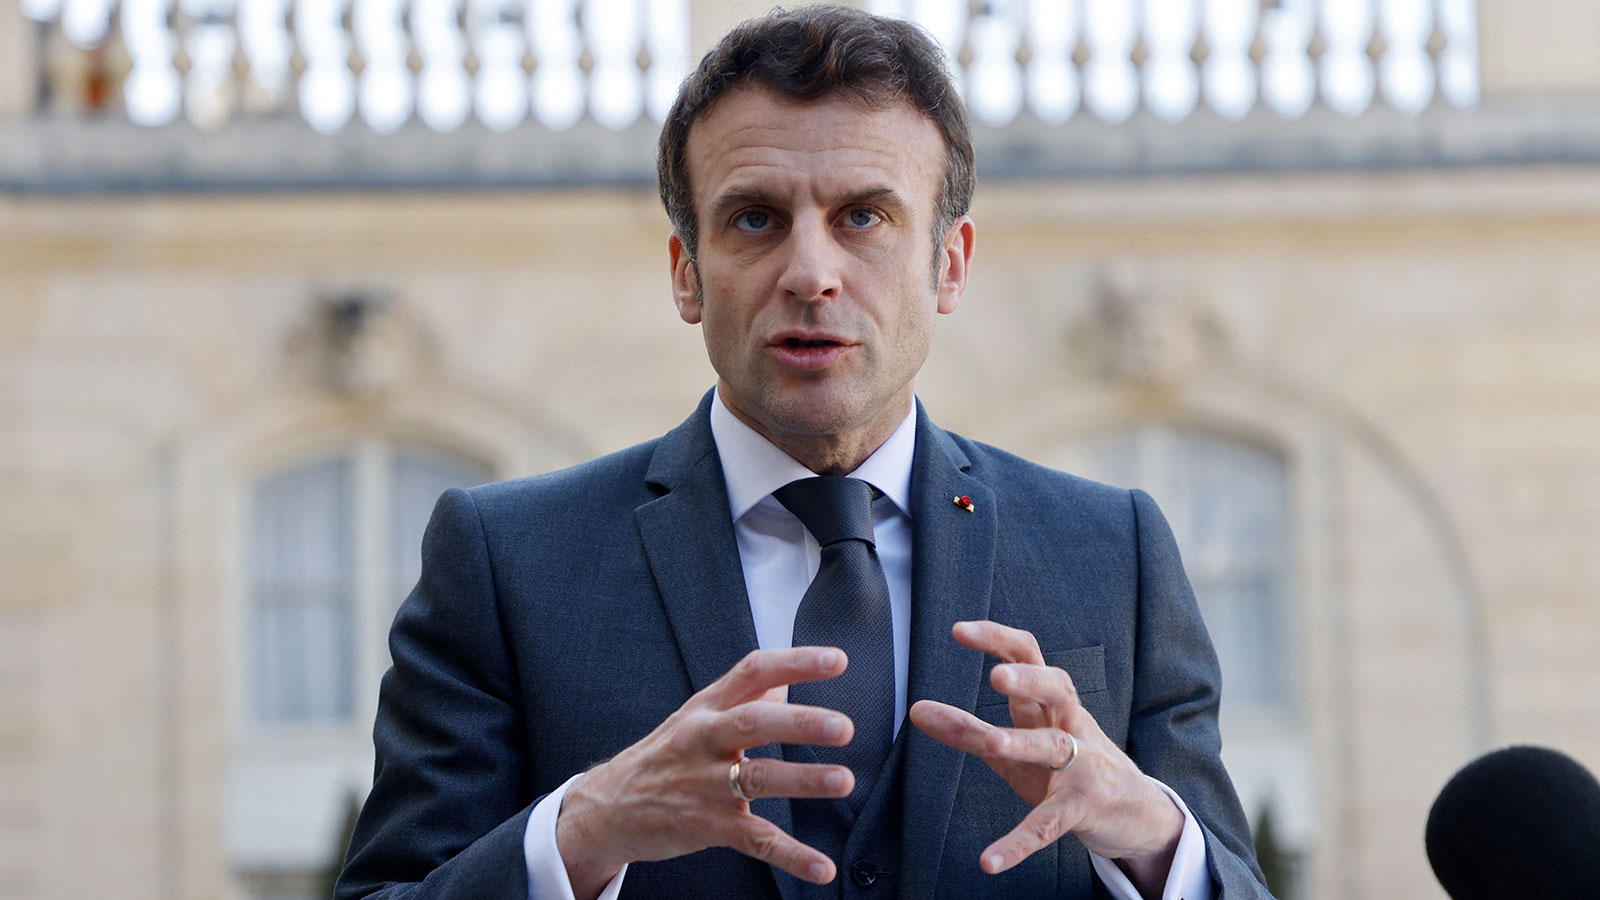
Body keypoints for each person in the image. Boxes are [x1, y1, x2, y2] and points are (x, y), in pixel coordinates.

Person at [335, 6, 1273, 900]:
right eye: (755, 219)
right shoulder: (505, 562)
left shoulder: (1114, 552)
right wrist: (587, 829)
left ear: (950, 264)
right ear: (686, 272)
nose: (811, 273)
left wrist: (1151, 835)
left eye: (865, 216)